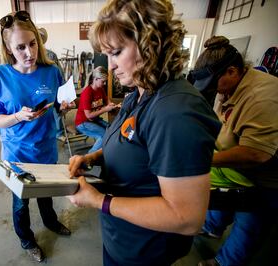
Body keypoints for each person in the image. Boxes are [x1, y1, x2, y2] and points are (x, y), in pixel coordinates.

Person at [67, 0, 221, 265]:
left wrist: (100, 201)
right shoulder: (140, 93)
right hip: (122, 238)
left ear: (151, 44)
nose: (111, 66)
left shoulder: (175, 112)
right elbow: (133, 145)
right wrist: (94, 158)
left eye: (116, 52)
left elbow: (186, 217)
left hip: (145, 250)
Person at [0, 11, 71, 263]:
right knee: (21, 202)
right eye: (20, 47)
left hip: (45, 148)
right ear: (9, 49)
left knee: (46, 192)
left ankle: (52, 222)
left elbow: (59, 103)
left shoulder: (51, 71)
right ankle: (26, 239)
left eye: (32, 44)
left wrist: (63, 106)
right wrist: (17, 117)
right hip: (16, 153)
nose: (28, 52)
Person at [190, 36, 278, 266]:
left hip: (267, 174)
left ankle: (226, 262)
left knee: (251, 220)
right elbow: (219, 123)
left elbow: (256, 153)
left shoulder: (263, 97)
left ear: (231, 71)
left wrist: (206, 160)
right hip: (234, 164)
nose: (213, 91)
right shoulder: (228, 87)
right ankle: (212, 227)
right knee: (225, 198)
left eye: (214, 83)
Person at [75, 66, 117, 153]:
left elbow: (106, 100)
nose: (104, 83)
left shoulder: (100, 89)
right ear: (96, 79)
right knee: (104, 135)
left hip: (94, 120)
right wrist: (105, 109)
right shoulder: (87, 92)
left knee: (112, 129)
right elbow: (88, 115)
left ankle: (106, 151)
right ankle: (89, 158)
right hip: (83, 122)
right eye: (103, 81)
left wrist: (110, 104)